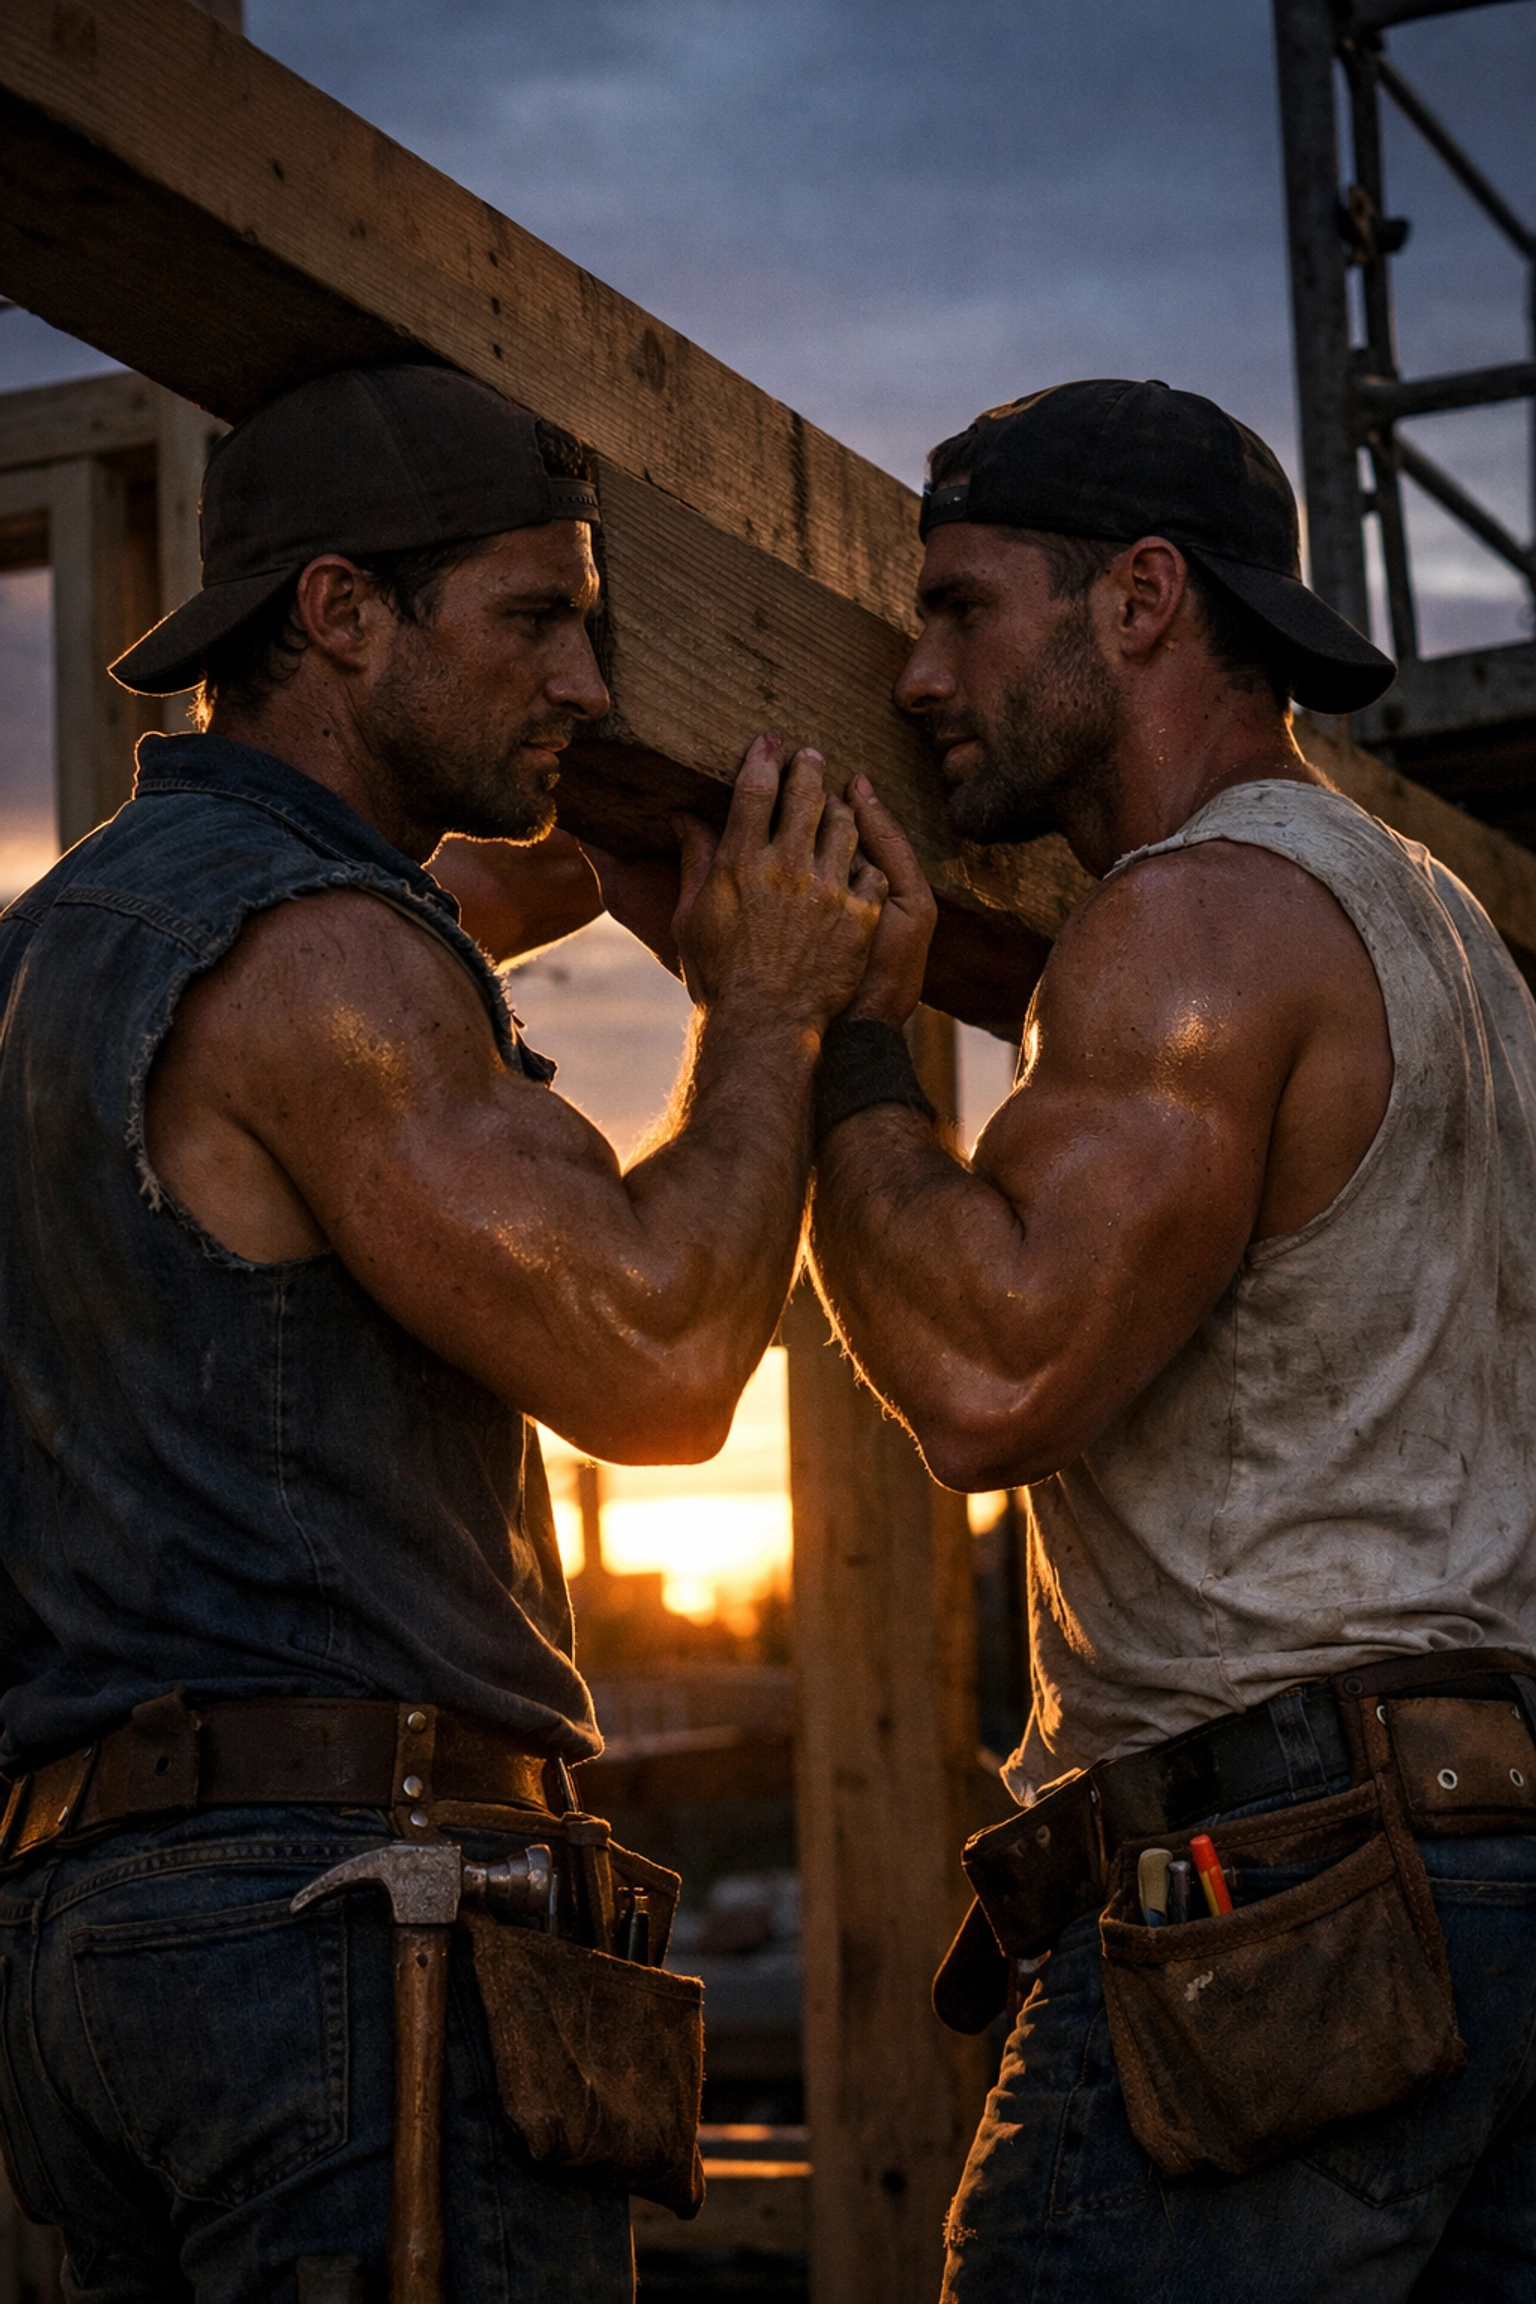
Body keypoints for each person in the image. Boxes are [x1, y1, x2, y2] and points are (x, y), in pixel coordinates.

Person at [0, 363, 894, 2300]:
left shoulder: (70, 945)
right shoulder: (323, 957)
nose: (585, 680)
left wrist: (526, 890)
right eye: (535, 616)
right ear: (338, 614)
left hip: (114, 1927)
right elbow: (654, 1370)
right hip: (339, 1911)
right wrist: (769, 1011)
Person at [799, 380, 1536, 2300]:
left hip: (1296, 1889)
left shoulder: (1199, 917)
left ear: (1139, 599)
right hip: (1487, 1871)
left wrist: (832, 1037)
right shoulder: (1445, 934)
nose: (914, 668)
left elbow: (992, 1376)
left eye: (962, 607)